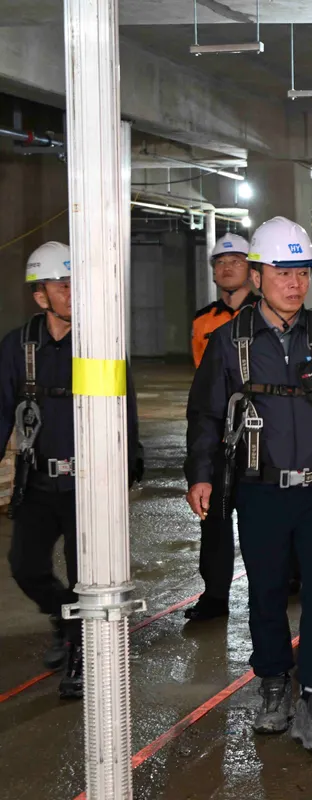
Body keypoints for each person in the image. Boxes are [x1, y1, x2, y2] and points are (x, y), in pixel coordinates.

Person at [185, 216, 312, 755]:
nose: (295, 283)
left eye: (303, 273)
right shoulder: (230, 341)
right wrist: (200, 474)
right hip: (259, 490)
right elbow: (205, 414)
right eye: (284, 272)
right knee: (265, 592)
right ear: (258, 275)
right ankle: (273, 684)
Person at [1, 241, 141, 700]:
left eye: (76, 283)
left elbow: (121, 407)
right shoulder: (19, 348)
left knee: (88, 578)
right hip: (39, 481)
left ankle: (82, 651)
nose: (72, 293)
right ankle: (65, 620)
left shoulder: (99, 343)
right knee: (25, 567)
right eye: (62, 285)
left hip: (90, 483)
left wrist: (127, 461)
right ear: (40, 295)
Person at [185, 232, 258, 622]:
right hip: (217, 426)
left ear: (252, 269)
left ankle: (287, 578)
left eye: (236, 261)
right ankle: (215, 595)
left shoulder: (264, 315)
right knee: (214, 517)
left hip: (259, 428)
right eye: (221, 262)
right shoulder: (203, 321)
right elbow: (203, 379)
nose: (227, 268)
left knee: (265, 512)